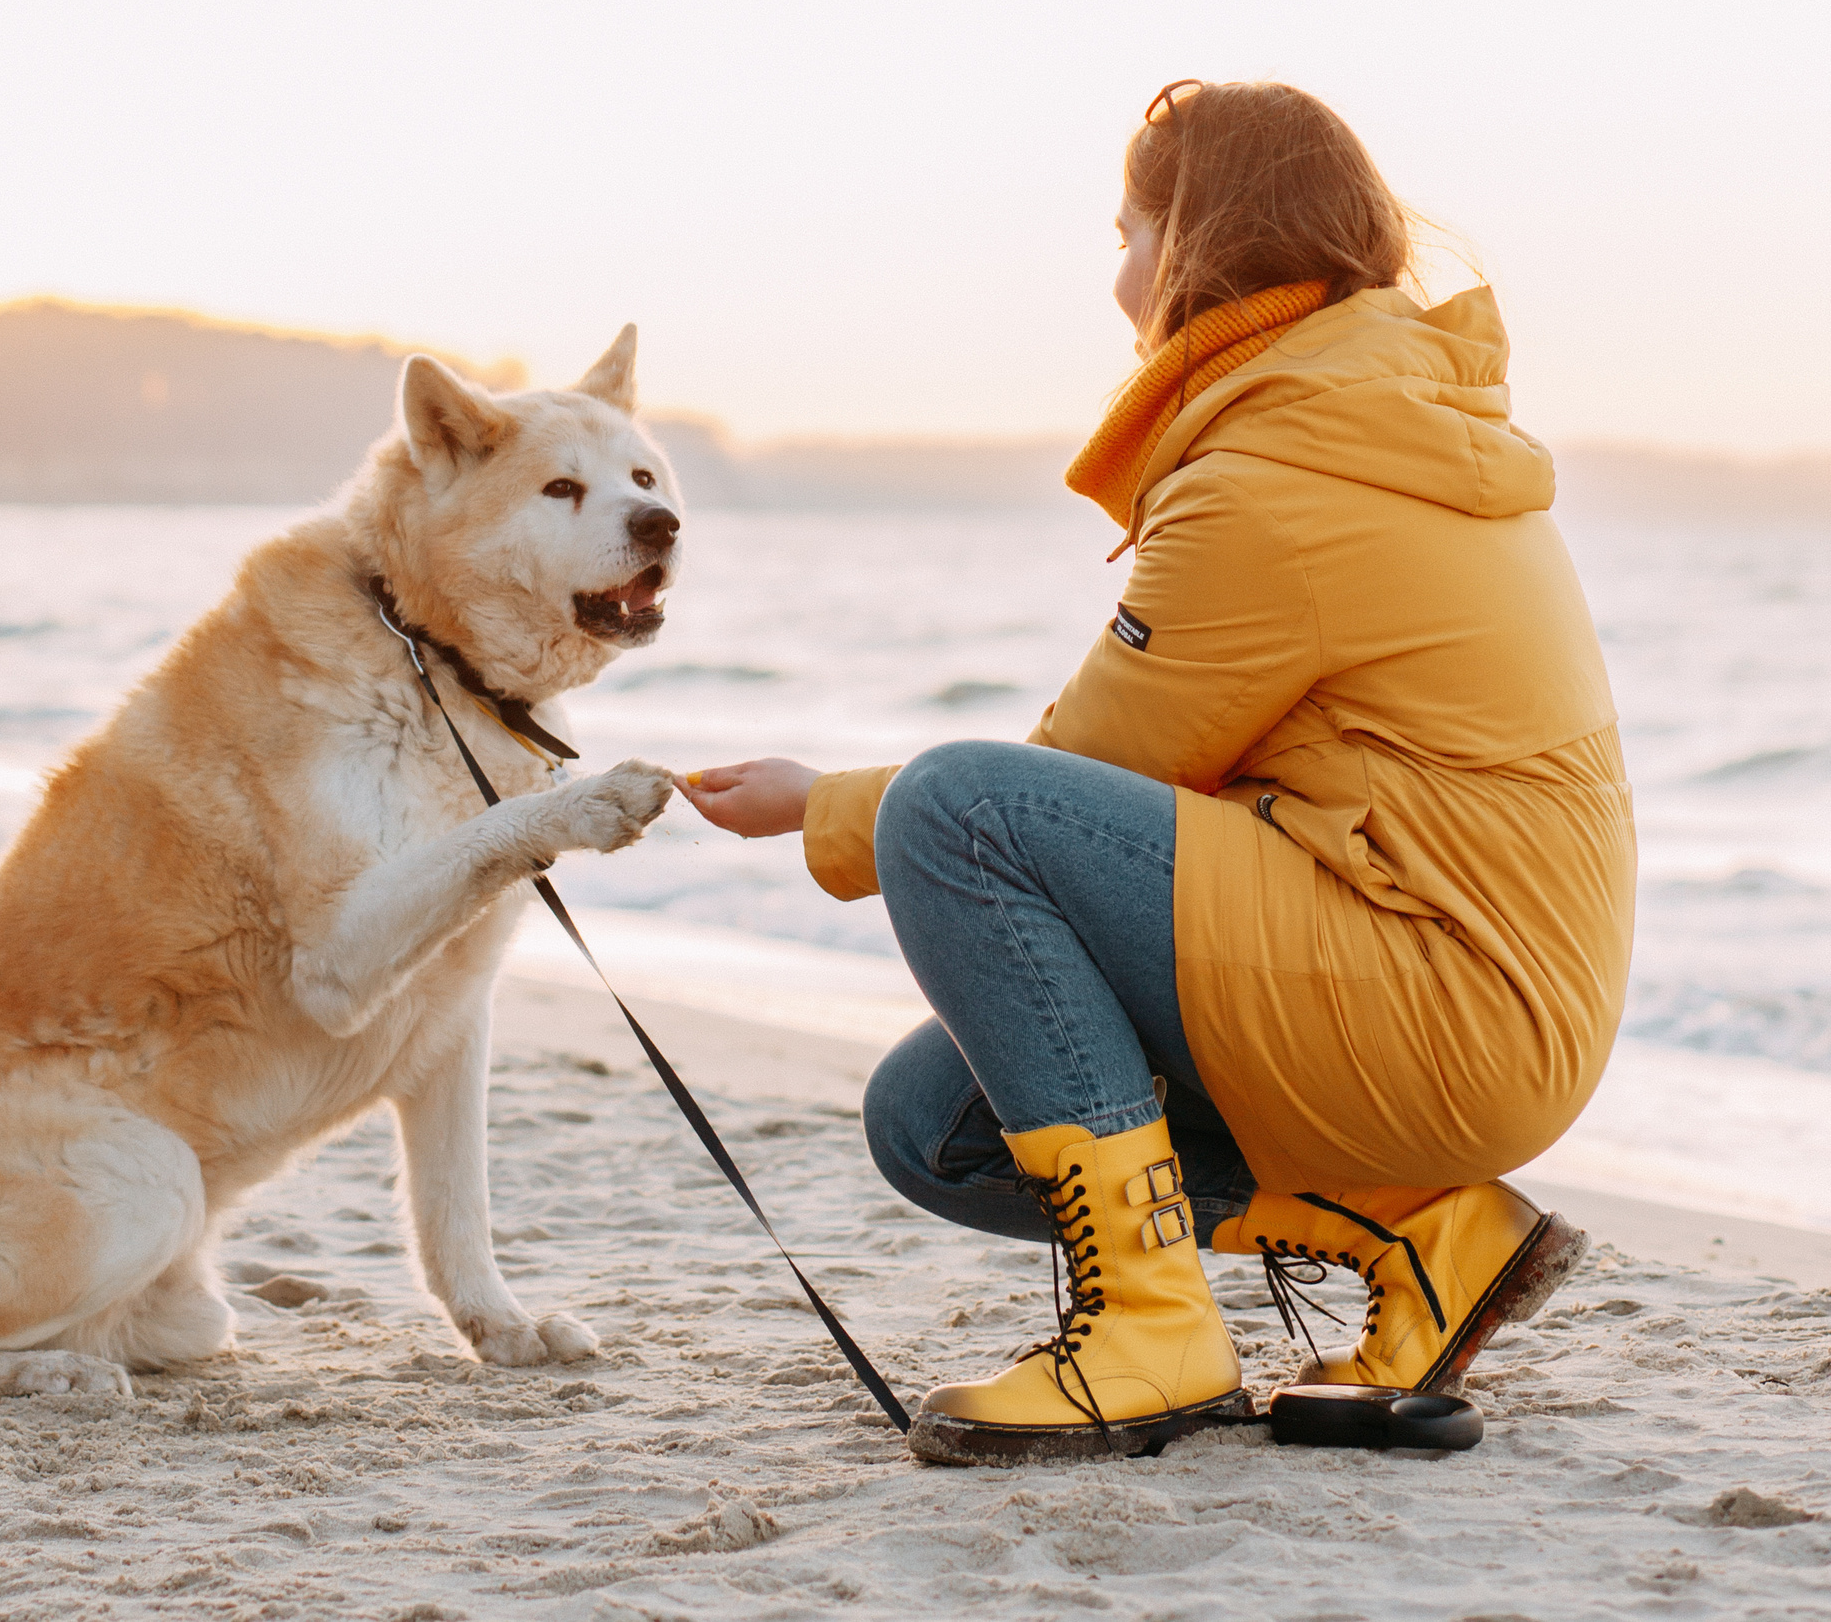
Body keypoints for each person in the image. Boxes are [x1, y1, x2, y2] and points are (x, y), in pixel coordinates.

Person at [678, 79, 1632, 1465]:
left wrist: (823, 805)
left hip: (1446, 1001)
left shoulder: (1276, 471)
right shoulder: (1368, 418)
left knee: (956, 806)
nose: (1115, 269)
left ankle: (1150, 1332)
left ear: (1193, 244)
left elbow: (1058, 784)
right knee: (934, 1120)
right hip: (1485, 992)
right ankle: (1424, 1230)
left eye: (1127, 230)